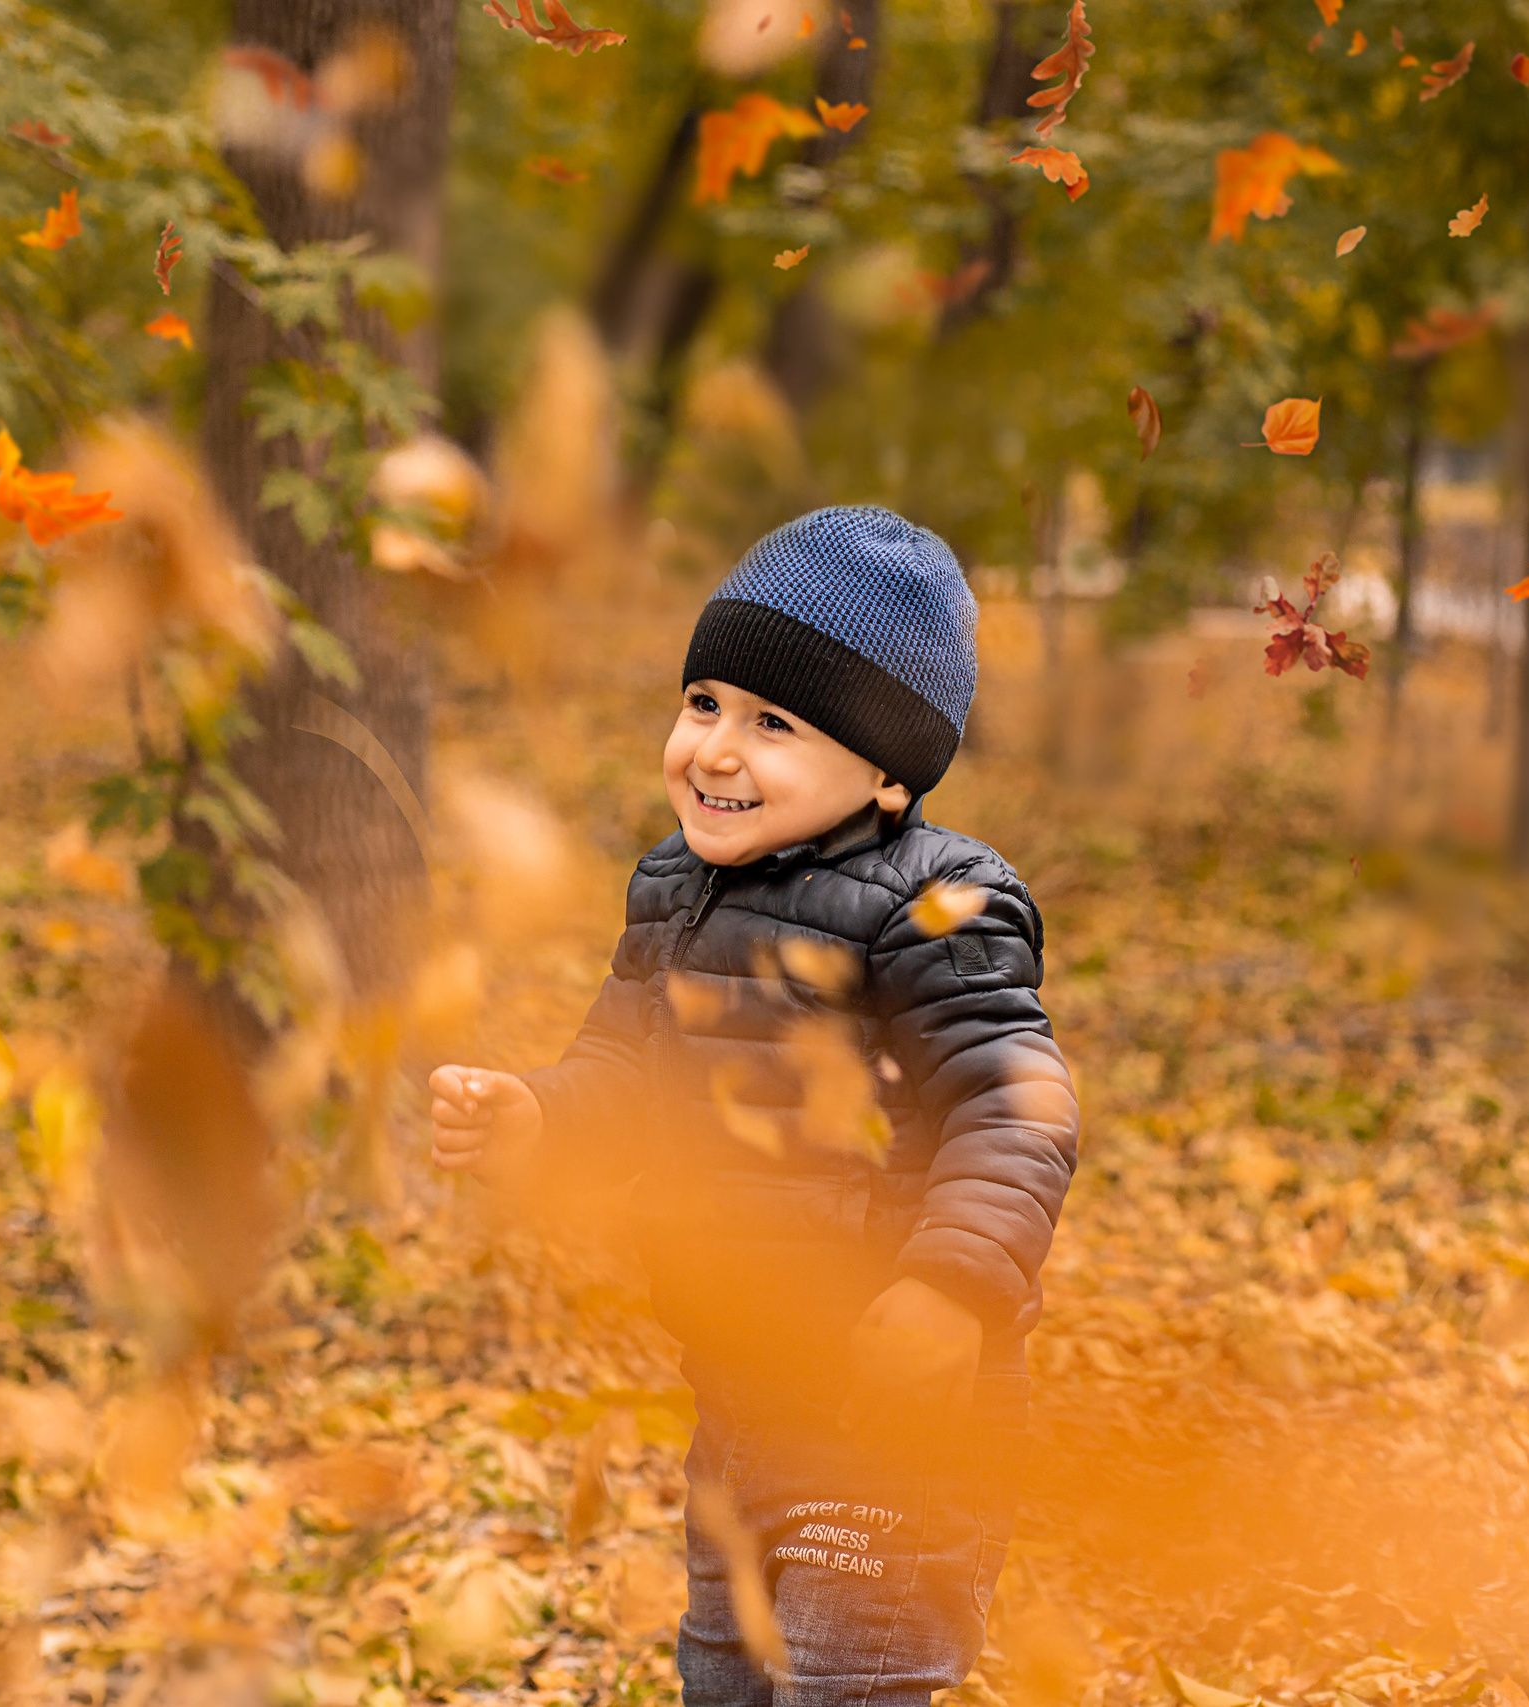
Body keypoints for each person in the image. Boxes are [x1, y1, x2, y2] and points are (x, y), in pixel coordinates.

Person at [429, 505, 1080, 1707]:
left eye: (774, 724)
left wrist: (949, 1286)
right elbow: (623, 1072)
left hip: (894, 1414)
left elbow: (1015, 1106)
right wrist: (534, 1114)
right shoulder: (677, 887)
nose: (717, 750)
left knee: (844, 1679)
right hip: (738, 1389)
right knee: (725, 1673)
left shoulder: (937, 908)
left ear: (887, 772)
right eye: (704, 704)